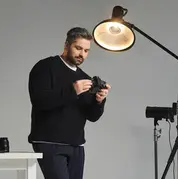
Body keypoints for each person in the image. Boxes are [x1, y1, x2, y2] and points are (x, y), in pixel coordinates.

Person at [27, 27, 111, 179]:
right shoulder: (45, 67)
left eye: (86, 51)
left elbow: (92, 116)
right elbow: (39, 101)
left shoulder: (84, 77)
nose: (82, 54)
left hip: (76, 145)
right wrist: (73, 90)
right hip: (49, 142)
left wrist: (99, 101)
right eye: (78, 48)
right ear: (66, 45)